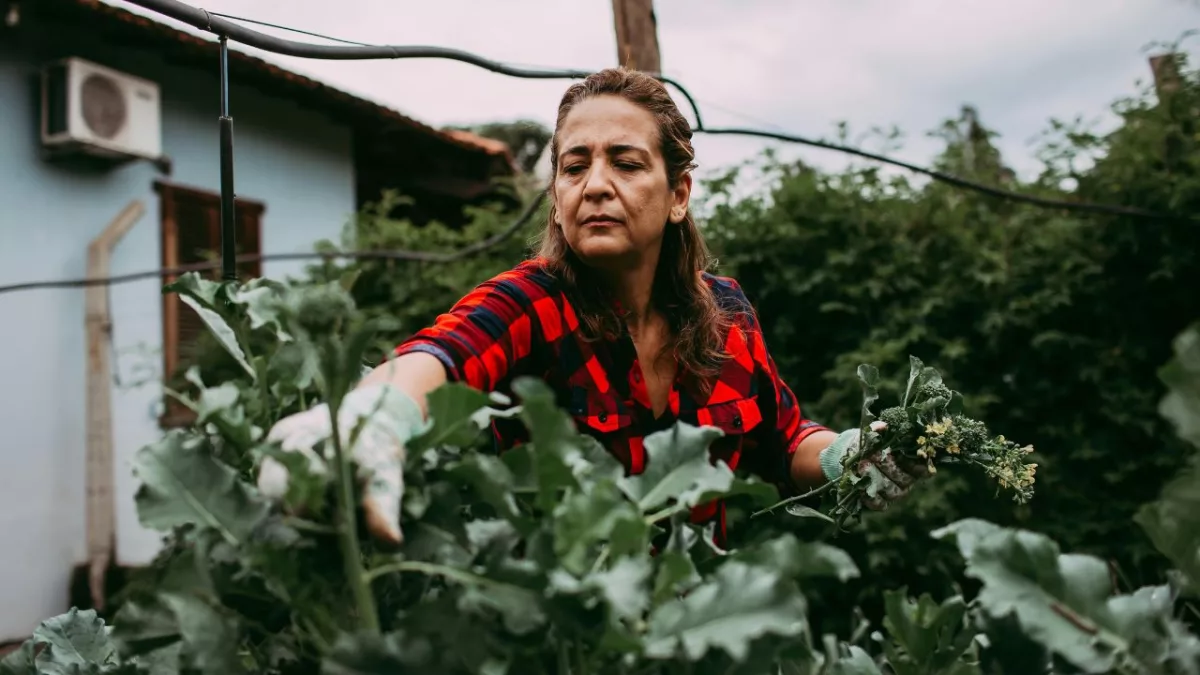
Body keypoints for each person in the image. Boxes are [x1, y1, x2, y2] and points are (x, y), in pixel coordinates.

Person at [260, 67, 927, 547]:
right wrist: (376, 415)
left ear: (678, 193)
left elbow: (783, 440)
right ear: (555, 196)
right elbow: (440, 356)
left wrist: (845, 452)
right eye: (574, 166)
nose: (596, 184)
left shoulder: (727, 313)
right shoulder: (531, 302)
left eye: (626, 163)